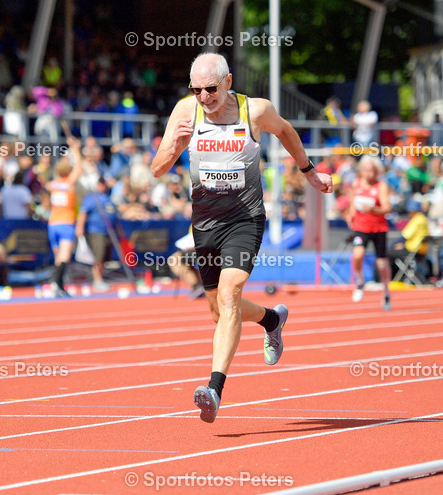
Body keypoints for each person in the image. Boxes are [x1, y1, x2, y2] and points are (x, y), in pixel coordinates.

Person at [150, 52, 332, 423]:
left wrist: (309, 171)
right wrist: (175, 146)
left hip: (245, 218)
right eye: (197, 90)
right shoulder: (185, 112)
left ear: (228, 82)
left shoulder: (256, 111)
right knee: (218, 311)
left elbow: (285, 131)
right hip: (204, 223)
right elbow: (157, 169)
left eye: (211, 89)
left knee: (231, 295)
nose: (204, 97)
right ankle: (270, 320)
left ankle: (213, 390)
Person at [346, 156, 393, 310]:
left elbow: (387, 208)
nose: (368, 173)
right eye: (365, 170)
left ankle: (386, 291)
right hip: (361, 227)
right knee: (357, 255)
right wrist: (350, 216)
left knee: (381, 263)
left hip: (378, 228)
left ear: (376, 171)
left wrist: (373, 209)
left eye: (371, 170)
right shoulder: (356, 183)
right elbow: (352, 202)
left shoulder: (381, 186)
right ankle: (360, 281)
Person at [47, 139, 83, 296]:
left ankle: (59, 285)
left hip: (53, 223)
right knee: (64, 256)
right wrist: (75, 149)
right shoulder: (69, 183)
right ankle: (55, 283)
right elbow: (79, 168)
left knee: (58, 257)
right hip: (66, 223)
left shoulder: (53, 184)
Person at [75, 176, 118, 292]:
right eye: (100, 184)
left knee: (103, 258)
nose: (103, 186)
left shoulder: (108, 198)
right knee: (98, 257)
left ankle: (100, 279)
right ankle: (97, 280)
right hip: (95, 231)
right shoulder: (91, 198)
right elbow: (83, 213)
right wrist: (79, 228)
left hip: (107, 232)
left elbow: (114, 214)